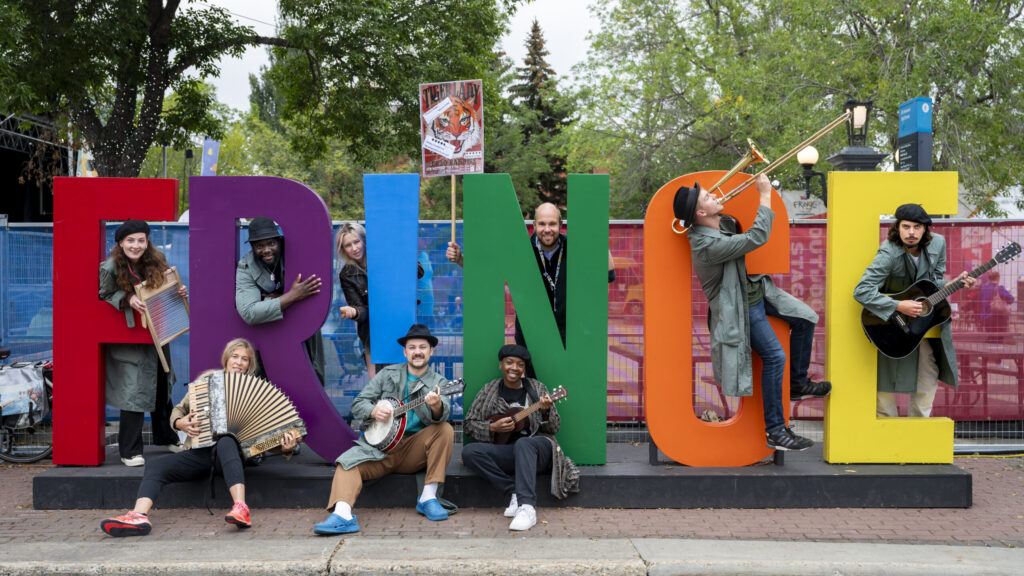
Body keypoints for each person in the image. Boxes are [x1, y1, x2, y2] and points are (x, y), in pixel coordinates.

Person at [675, 175, 822, 451]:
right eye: (709, 197)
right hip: (740, 307)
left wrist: (725, 204)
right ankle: (776, 431)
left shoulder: (718, 224)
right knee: (776, 357)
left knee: (806, 318)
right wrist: (764, 194)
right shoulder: (706, 244)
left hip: (756, 290)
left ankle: (798, 384)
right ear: (700, 213)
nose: (716, 195)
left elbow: (733, 224)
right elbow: (757, 236)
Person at [99, 338, 301, 537]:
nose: (238, 362)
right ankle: (138, 516)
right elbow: (178, 410)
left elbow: (264, 440)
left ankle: (241, 508)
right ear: (227, 359)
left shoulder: (257, 391)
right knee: (156, 466)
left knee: (226, 440)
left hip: (234, 456)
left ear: (250, 365)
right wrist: (180, 423)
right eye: (235, 356)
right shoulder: (208, 380)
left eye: (244, 359)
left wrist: (285, 448)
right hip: (202, 452)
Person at [314, 324, 454, 535]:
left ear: (431, 351)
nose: (417, 351)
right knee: (347, 462)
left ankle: (428, 497)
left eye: (423, 347)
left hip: (413, 450)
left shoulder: (439, 382)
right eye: (412, 347)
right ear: (405, 352)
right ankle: (342, 515)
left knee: (444, 429)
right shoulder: (388, 374)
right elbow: (359, 403)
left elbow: (444, 412)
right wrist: (373, 411)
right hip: (380, 449)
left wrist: (436, 405)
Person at [446, 203, 616, 373]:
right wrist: (460, 259)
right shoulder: (520, 250)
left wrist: (600, 238)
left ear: (561, 225)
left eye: (552, 224)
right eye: (542, 224)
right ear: (534, 225)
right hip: (530, 332)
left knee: (568, 387)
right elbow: (486, 273)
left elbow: (608, 276)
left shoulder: (575, 247)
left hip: (568, 332)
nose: (547, 229)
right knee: (536, 387)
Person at [854, 204, 976, 417]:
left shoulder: (938, 243)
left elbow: (935, 280)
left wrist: (953, 283)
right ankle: (886, 431)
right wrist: (897, 305)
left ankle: (919, 429)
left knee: (928, 378)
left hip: (924, 324)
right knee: (886, 382)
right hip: (890, 322)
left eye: (917, 227)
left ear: (926, 229)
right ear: (897, 227)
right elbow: (862, 291)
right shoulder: (889, 252)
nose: (911, 232)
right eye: (906, 226)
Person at [462, 344, 579, 531]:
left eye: (520, 364)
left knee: (524, 443)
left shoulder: (537, 389)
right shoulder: (489, 390)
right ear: (501, 364)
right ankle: (513, 491)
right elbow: (468, 424)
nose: (514, 368)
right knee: (469, 452)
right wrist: (492, 427)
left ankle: (527, 508)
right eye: (509, 363)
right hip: (509, 453)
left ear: (524, 369)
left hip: (538, 450)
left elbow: (554, 428)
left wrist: (546, 411)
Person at [99, 219, 185, 466]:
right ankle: (130, 450)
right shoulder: (110, 267)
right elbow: (103, 295)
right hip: (129, 339)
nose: (136, 245)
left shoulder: (156, 261)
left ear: (147, 242)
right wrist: (127, 298)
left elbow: (166, 290)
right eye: (130, 241)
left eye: (141, 240)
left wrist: (178, 293)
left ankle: (167, 437)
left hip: (156, 334)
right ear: (121, 243)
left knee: (161, 385)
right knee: (134, 391)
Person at [236, 216, 325, 386]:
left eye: (271, 243)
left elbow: (315, 286)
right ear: (252, 246)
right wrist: (292, 296)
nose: (266, 250)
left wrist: (273, 299)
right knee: (267, 381)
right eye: (259, 246)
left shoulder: (295, 254)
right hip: (268, 332)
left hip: (303, 330)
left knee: (311, 374)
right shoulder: (246, 266)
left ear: (279, 240)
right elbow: (249, 312)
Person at [336, 222, 426, 378]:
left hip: (398, 323)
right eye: (348, 245)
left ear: (364, 240)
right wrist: (354, 312)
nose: (354, 248)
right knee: (376, 382)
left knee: (405, 378)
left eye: (356, 242)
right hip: (372, 331)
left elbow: (418, 272)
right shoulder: (347, 274)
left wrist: (397, 252)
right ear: (343, 249)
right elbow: (362, 311)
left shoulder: (382, 256)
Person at [977, 270, 1015, 335]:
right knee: (998, 340)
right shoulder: (999, 288)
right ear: (998, 278)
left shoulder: (983, 288)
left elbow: (979, 299)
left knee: (990, 338)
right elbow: (1011, 299)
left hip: (985, 318)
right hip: (998, 318)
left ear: (989, 278)